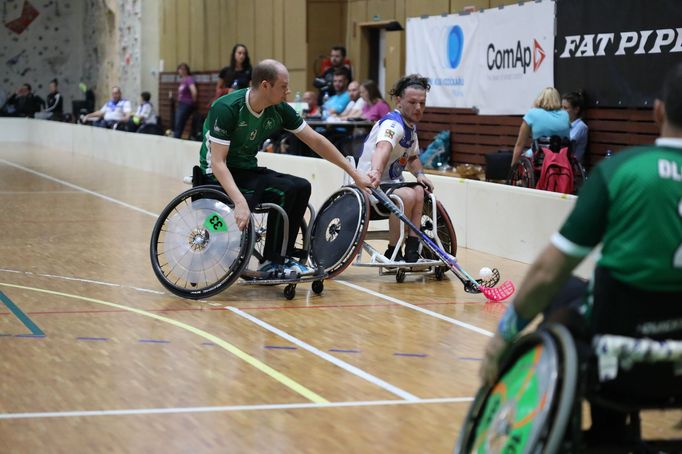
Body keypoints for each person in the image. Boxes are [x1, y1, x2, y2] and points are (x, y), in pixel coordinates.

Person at [480, 63, 682, 444]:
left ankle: (602, 431)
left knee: (561, 289)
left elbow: (547, 271)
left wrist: (503, 336)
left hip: (621, 348)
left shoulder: (624, 171)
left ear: (658, 111)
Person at [198, 59, 372, 275]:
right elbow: (217, 162)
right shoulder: (227, 108)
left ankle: (285, 257)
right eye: (283, 86)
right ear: (265, 86)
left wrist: (354, 173)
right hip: (216, 174)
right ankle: (272, 261)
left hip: (247, 170)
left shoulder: (279, 109)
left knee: (301, 186)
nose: (288, 92)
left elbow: (316, 141)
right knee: (284, 191)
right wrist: (240, 202)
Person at [357, 74, 434, 262]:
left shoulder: (410, 127)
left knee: (419, 191)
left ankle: (412, 248)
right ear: (399, 101)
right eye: (413, 102)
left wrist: (420, 174)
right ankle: (393, 250)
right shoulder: (393, 124)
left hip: (390, 185)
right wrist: (375, 171)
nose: (418, 108)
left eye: (422, 103)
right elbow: (383, 147)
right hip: (369, 185)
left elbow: (413, 156)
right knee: (407, 195)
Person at [511, 87, 570, 166]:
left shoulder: (532, 114)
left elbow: (520, 144)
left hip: (540, 159)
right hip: (562, 159)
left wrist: (513, 167)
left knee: (525, 155)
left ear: (540, 99)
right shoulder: (565, 115)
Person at [562, 90, 589, 163]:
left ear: (576, 110)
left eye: (565, 108)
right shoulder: (564, 124)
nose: (562, 111)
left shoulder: (581, 126)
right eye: (561, 107)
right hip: (562, 164)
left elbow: (567, 142)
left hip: (573, 167)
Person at [173, 63, 197, 138]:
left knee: (179, 123)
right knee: (178, 123)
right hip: (181, 104)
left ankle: (176, 139)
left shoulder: (189, 79)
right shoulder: (182, 80)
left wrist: (193, 102)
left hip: (186, 104)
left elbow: (194, 91)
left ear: (186, 70)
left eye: (182, 69)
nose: (180, 71)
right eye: (179, 69)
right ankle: (177, 137)